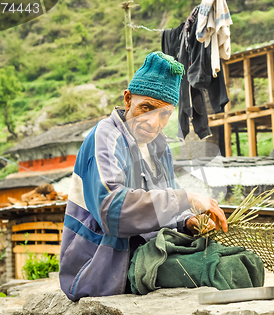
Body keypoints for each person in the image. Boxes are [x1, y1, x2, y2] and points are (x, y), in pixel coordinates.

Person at [59, 52, 228, 301]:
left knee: (232, 258)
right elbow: (112, 212)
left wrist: (188, 221)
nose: (152, 121)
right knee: (223, 271)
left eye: (164, 114)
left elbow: (168, 203)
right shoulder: (105, 138)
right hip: (101, 269)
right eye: (146, 108)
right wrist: (186, 198)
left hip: (147, 254)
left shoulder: (160, 148)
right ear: (128, 100)